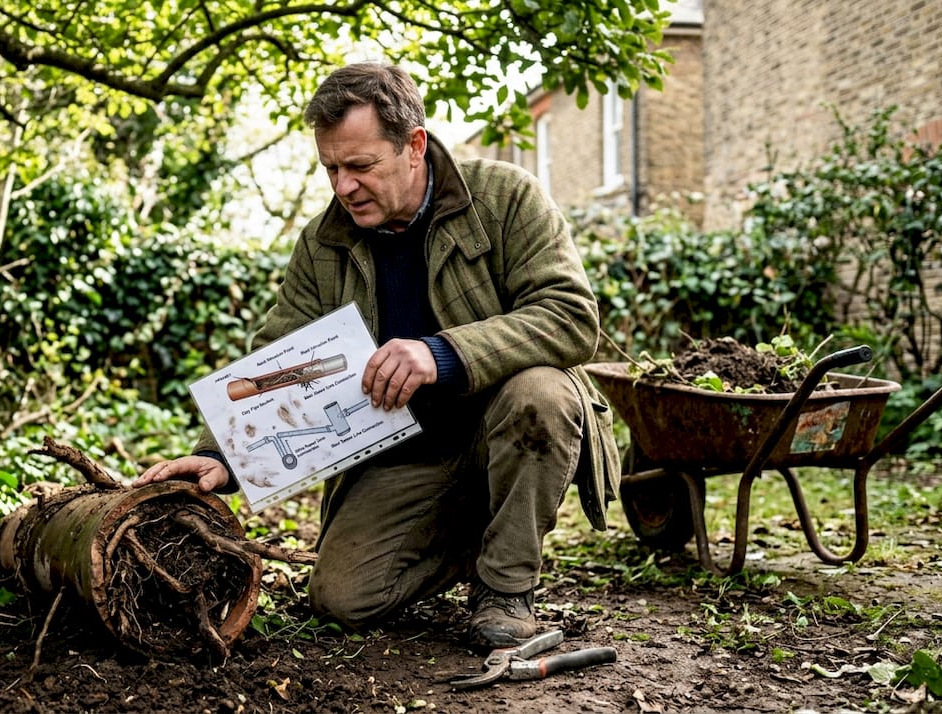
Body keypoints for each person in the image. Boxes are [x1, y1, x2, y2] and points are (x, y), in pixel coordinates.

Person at [135, 61, 620, 649]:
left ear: (413, 146)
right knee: (342, 600)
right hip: (407, 455)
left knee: (542, 393)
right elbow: (277, 360)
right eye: (331, 168)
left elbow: (570, 317)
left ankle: (505, 586)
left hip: (509, 423)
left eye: (360, 166)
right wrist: (224, 454)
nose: (343, 186)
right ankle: (475, 539)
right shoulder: (323, 242)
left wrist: (441, 354)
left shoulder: (505, 197)